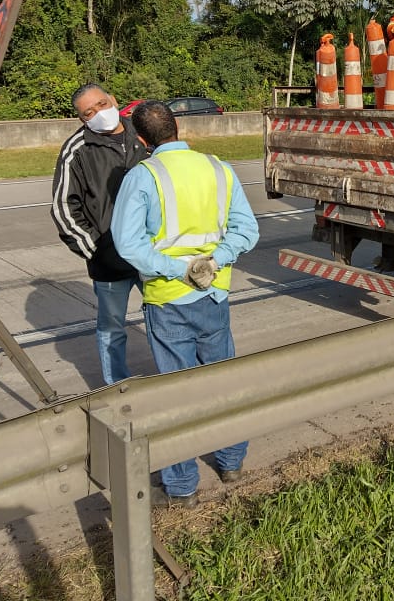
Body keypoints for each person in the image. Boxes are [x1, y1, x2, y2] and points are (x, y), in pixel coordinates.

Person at [111, 100, 260, 507]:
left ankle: (182, 487)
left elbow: (128, 244)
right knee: (221, 381)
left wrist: (178, 270)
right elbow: (247, 230)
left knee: (175, 392)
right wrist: (213, 262)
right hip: (214, 294)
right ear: (177, 128)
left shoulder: (143, 177)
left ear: (141, 140)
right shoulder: (218, 168)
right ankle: (231, 461)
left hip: (167, 298)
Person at [51, 84, 150, 386]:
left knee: (165, 318)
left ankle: (173, 373)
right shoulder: (77, 150)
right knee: (112, 327)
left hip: (153, 252)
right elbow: (63, 208)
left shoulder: (145, 135)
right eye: (88, 112)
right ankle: (116, 386)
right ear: (82, 120)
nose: (98, 114)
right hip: (109, 260)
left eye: (101, 104)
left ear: (114, 101)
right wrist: (96, 248)